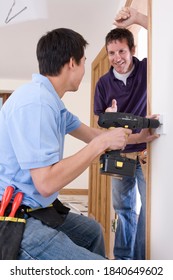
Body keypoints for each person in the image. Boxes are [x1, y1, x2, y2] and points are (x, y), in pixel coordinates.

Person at [0, 27, 135, 260]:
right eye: (83, 62)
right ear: (72, 63)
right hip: (15, 219)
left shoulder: (52, 102)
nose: (84, 70)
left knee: (92, 232)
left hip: (38, 208)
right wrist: (100, 144)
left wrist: (123, 131)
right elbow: (46, 183)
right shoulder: (37, 103)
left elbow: (91, 134)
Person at [94, 7, 153, 260]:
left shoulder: (147, 69)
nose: (117, 57)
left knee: (149, 211)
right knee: (123, 209)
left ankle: (141, 262)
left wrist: (138, 19)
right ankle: (122, 263)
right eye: (111, 53)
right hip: (119, 155)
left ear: (133, 50)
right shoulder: (103, 83)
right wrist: (108, 117)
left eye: (122, 51)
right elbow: (99, 121)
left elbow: (167, 35)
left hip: (146, 153)